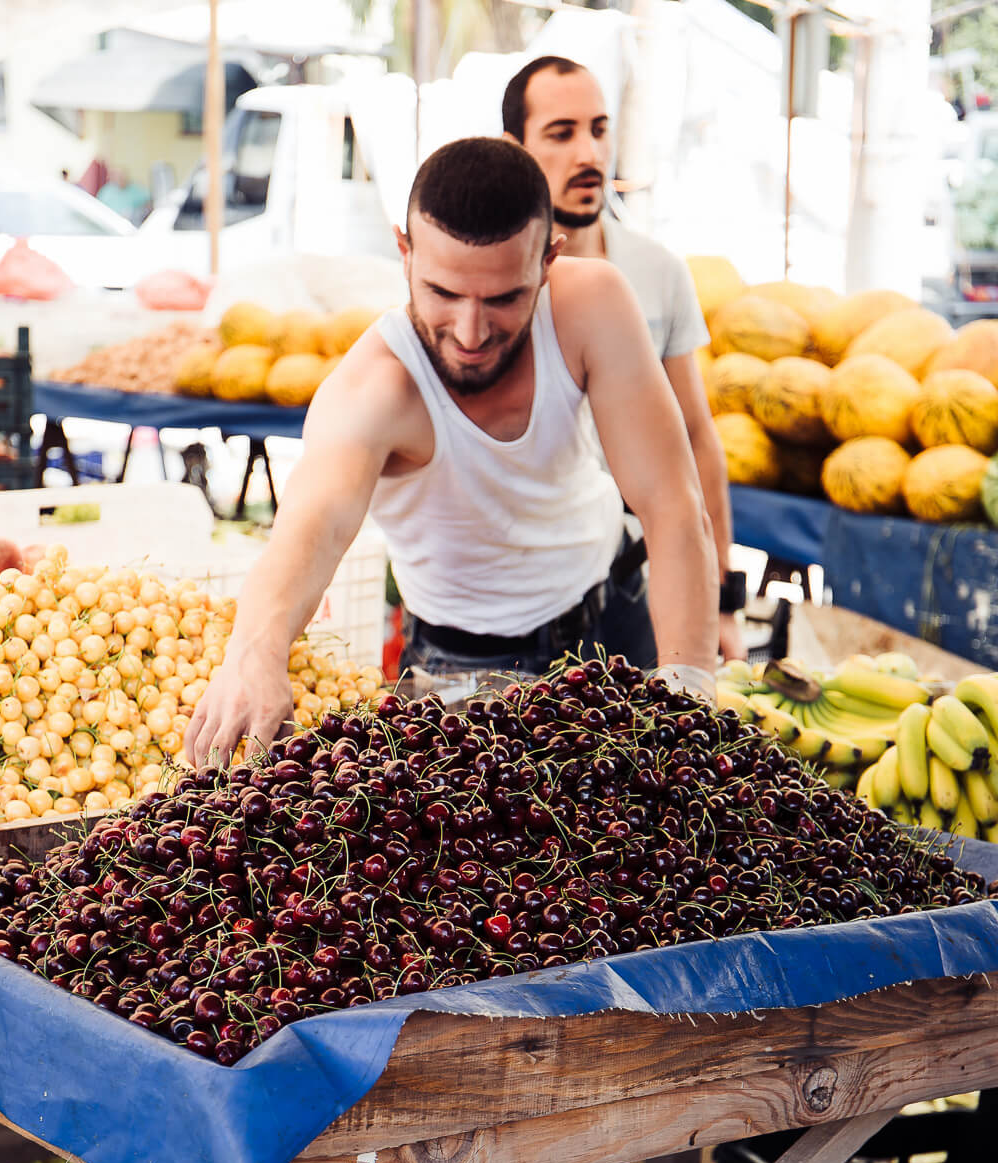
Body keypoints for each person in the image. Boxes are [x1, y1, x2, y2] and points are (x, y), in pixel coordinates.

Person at [185, 137, 717, 766]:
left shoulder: (593, 305)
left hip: (615, 614)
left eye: (503, 299)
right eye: (443, 293)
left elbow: (672, 504)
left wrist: (689, 692)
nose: (470, 333)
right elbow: (314, 525)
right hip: (464, 666)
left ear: (549, 260)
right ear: (404, 252)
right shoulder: (376, 388)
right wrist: (258, 650)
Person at [502, 54, 746, 660]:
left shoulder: (658, 272)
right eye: (562, 134)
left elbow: (695, 437)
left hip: (631, 584)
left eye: (599, 128)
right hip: (523, 593)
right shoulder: (490, 287)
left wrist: (724, 602)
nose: (589, 153)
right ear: (514, 149)